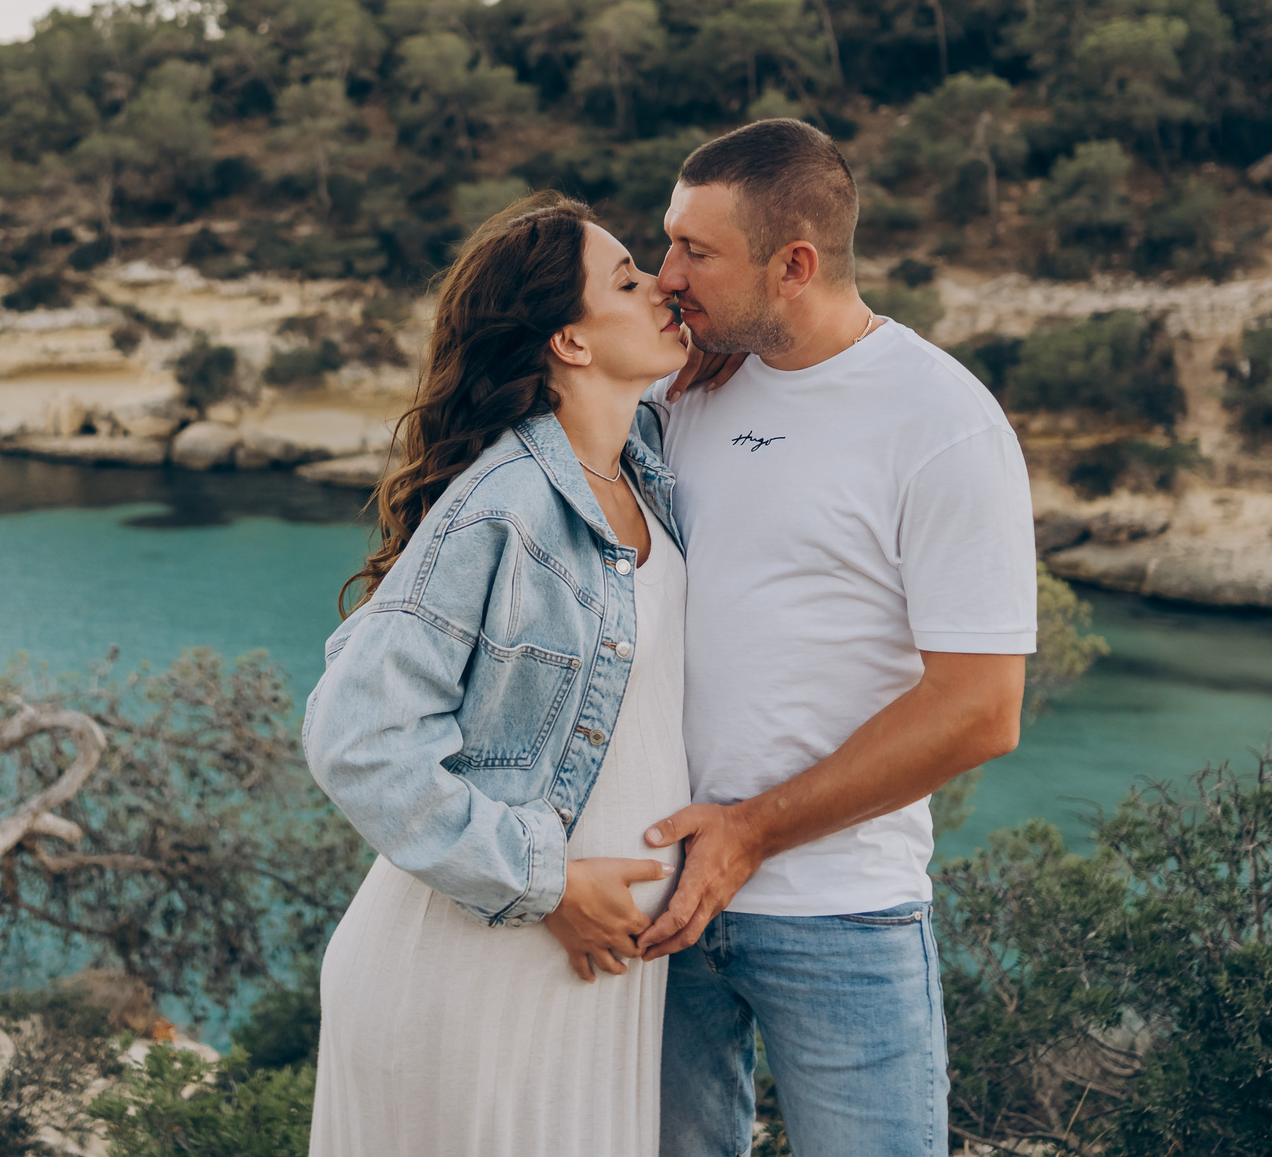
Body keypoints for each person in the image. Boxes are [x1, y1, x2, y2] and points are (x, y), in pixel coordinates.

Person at [640, 118, 1036, 1157]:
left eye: (696, 251)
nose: (664, 275)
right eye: (667, 241)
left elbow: (980, 711)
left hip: (840, 918)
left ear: (794, 265)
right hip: (656, 903)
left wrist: (750, 833)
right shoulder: (677, 386)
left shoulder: (941, 421)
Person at [303, 192, 697, 1157]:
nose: (663, 286)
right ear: (569, 338)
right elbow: (356, 738)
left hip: (593, 979)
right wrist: (546, 880)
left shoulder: (640, 468)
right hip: (482, 965)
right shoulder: (504, 505)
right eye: (628, 277)